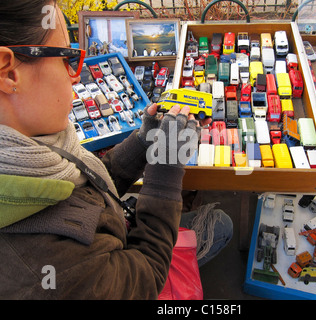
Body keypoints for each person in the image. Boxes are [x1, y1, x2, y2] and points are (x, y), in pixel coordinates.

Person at [0, 0, 232, 299]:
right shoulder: (48, 264)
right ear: (8, 72)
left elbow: (85, 187)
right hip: (134, 259)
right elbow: (146, 277)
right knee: (221, 225)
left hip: (116, 224)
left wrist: (143, 141)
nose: (75, 75)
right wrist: (165, 173)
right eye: (68, 58)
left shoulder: (25, 148)